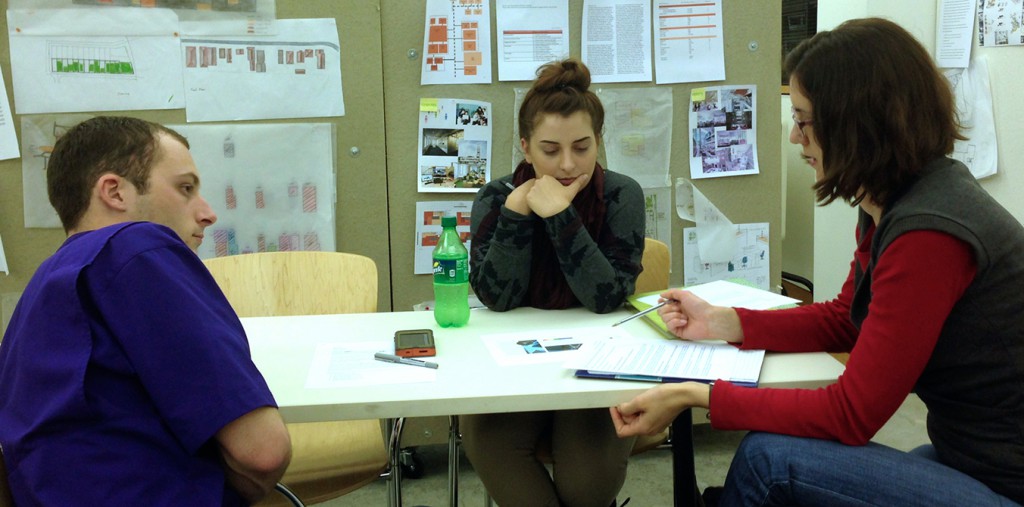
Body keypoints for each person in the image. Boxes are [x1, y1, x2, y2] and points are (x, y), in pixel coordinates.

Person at [610, 18, 1024, 506]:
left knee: (768, 460)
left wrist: (696, 393)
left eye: (803, 120)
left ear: (856, 123)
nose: (792, 137)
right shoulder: (896, 202)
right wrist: (724, 322)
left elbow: (851, 413)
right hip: (976, 459)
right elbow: (848, 319)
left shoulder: (928, 233)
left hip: (1005, 481)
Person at [0, 116, 292, 505]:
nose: (208, 213)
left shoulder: (43, 287)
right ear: (115, 192)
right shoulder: (136, 247)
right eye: (185, 189)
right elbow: (263, 451)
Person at [462, 59, 646, 506]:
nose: (567, 164)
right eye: (550, 150)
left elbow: (606, 297)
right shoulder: (496, 196)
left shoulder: (622, 195)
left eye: (582, 147)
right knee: (491, 446)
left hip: (597, 366)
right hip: (512, 366)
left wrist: (560, 215)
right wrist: (516, 215)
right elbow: (495, 299)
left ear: (598, 141)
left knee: (586, 486)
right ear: (525, 147)